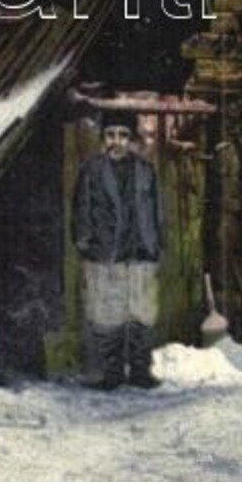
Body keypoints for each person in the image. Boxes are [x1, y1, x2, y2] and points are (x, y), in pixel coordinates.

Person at [72, 109, 164, 389]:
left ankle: (139, 371)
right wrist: (85, 241)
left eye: (123, 135)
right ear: (103, 139)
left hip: (140, 252)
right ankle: (110, 373)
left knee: (142, 315)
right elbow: (81, 209)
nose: (117, 141)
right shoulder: (92, 170)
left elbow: (158, 210)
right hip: (105, 253)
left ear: (131, 139)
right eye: (111, 135)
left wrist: (157, 242)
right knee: (106, 316)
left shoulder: (145, 170)